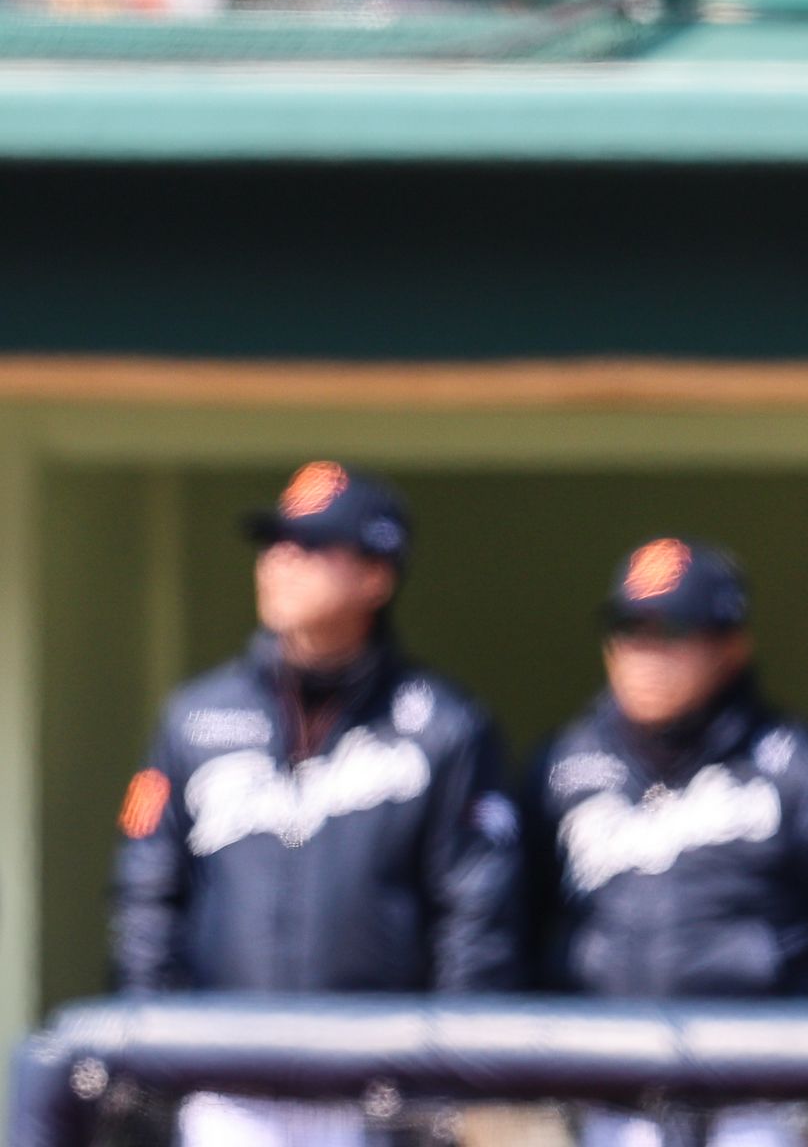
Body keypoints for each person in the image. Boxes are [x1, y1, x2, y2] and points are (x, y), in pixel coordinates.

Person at [111, 461, 519, 1146]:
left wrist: (447, 1078)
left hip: (378, 1087)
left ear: (376, 576)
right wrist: (154, 1047)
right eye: (274, 545)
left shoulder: (442, 725)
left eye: (310, 548)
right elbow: (147, 897)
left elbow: (475, 918)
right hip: (225, 1079)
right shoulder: (196, 716)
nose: (279, 564)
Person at [521, 537, 808, 1147]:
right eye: (629, 627)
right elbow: (500, 917)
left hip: (758, 1107)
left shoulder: (804, 765)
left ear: (731, 645)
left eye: (673, 630)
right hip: (602, 1102)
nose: (646, 652)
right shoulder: (561, 769)